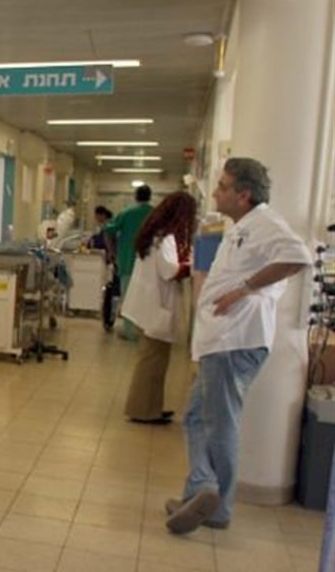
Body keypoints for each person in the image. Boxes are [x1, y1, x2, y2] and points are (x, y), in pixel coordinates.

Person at [165, 157, 310, 534]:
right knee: (196, 417)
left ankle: (215, 502)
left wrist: (244, 289)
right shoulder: (242, 227)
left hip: (236, 340)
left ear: (244, 195)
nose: (215, 192)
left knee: (219, 422)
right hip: (222, 340)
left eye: (223, 186)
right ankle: (199, 492)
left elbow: (298, 257)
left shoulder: (264, 222)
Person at [120, 191, 197, 425]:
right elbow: (170, 271)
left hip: (149, 304)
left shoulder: (156, 234)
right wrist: (193, 264)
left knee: (154, 360)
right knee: (152, 361)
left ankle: (151, 407)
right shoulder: (165, 238)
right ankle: (143, 410)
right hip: (156, 306)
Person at [104, 184, 154, 339]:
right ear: (150, 197)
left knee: (128, 298)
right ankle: (144, 331)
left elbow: (108, 231)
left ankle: (129, 331)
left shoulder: (126, 213)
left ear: (135, 196)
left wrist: (112, 252)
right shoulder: (155, 214)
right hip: (149, 263)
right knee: (146, 298)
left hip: (127, 260)